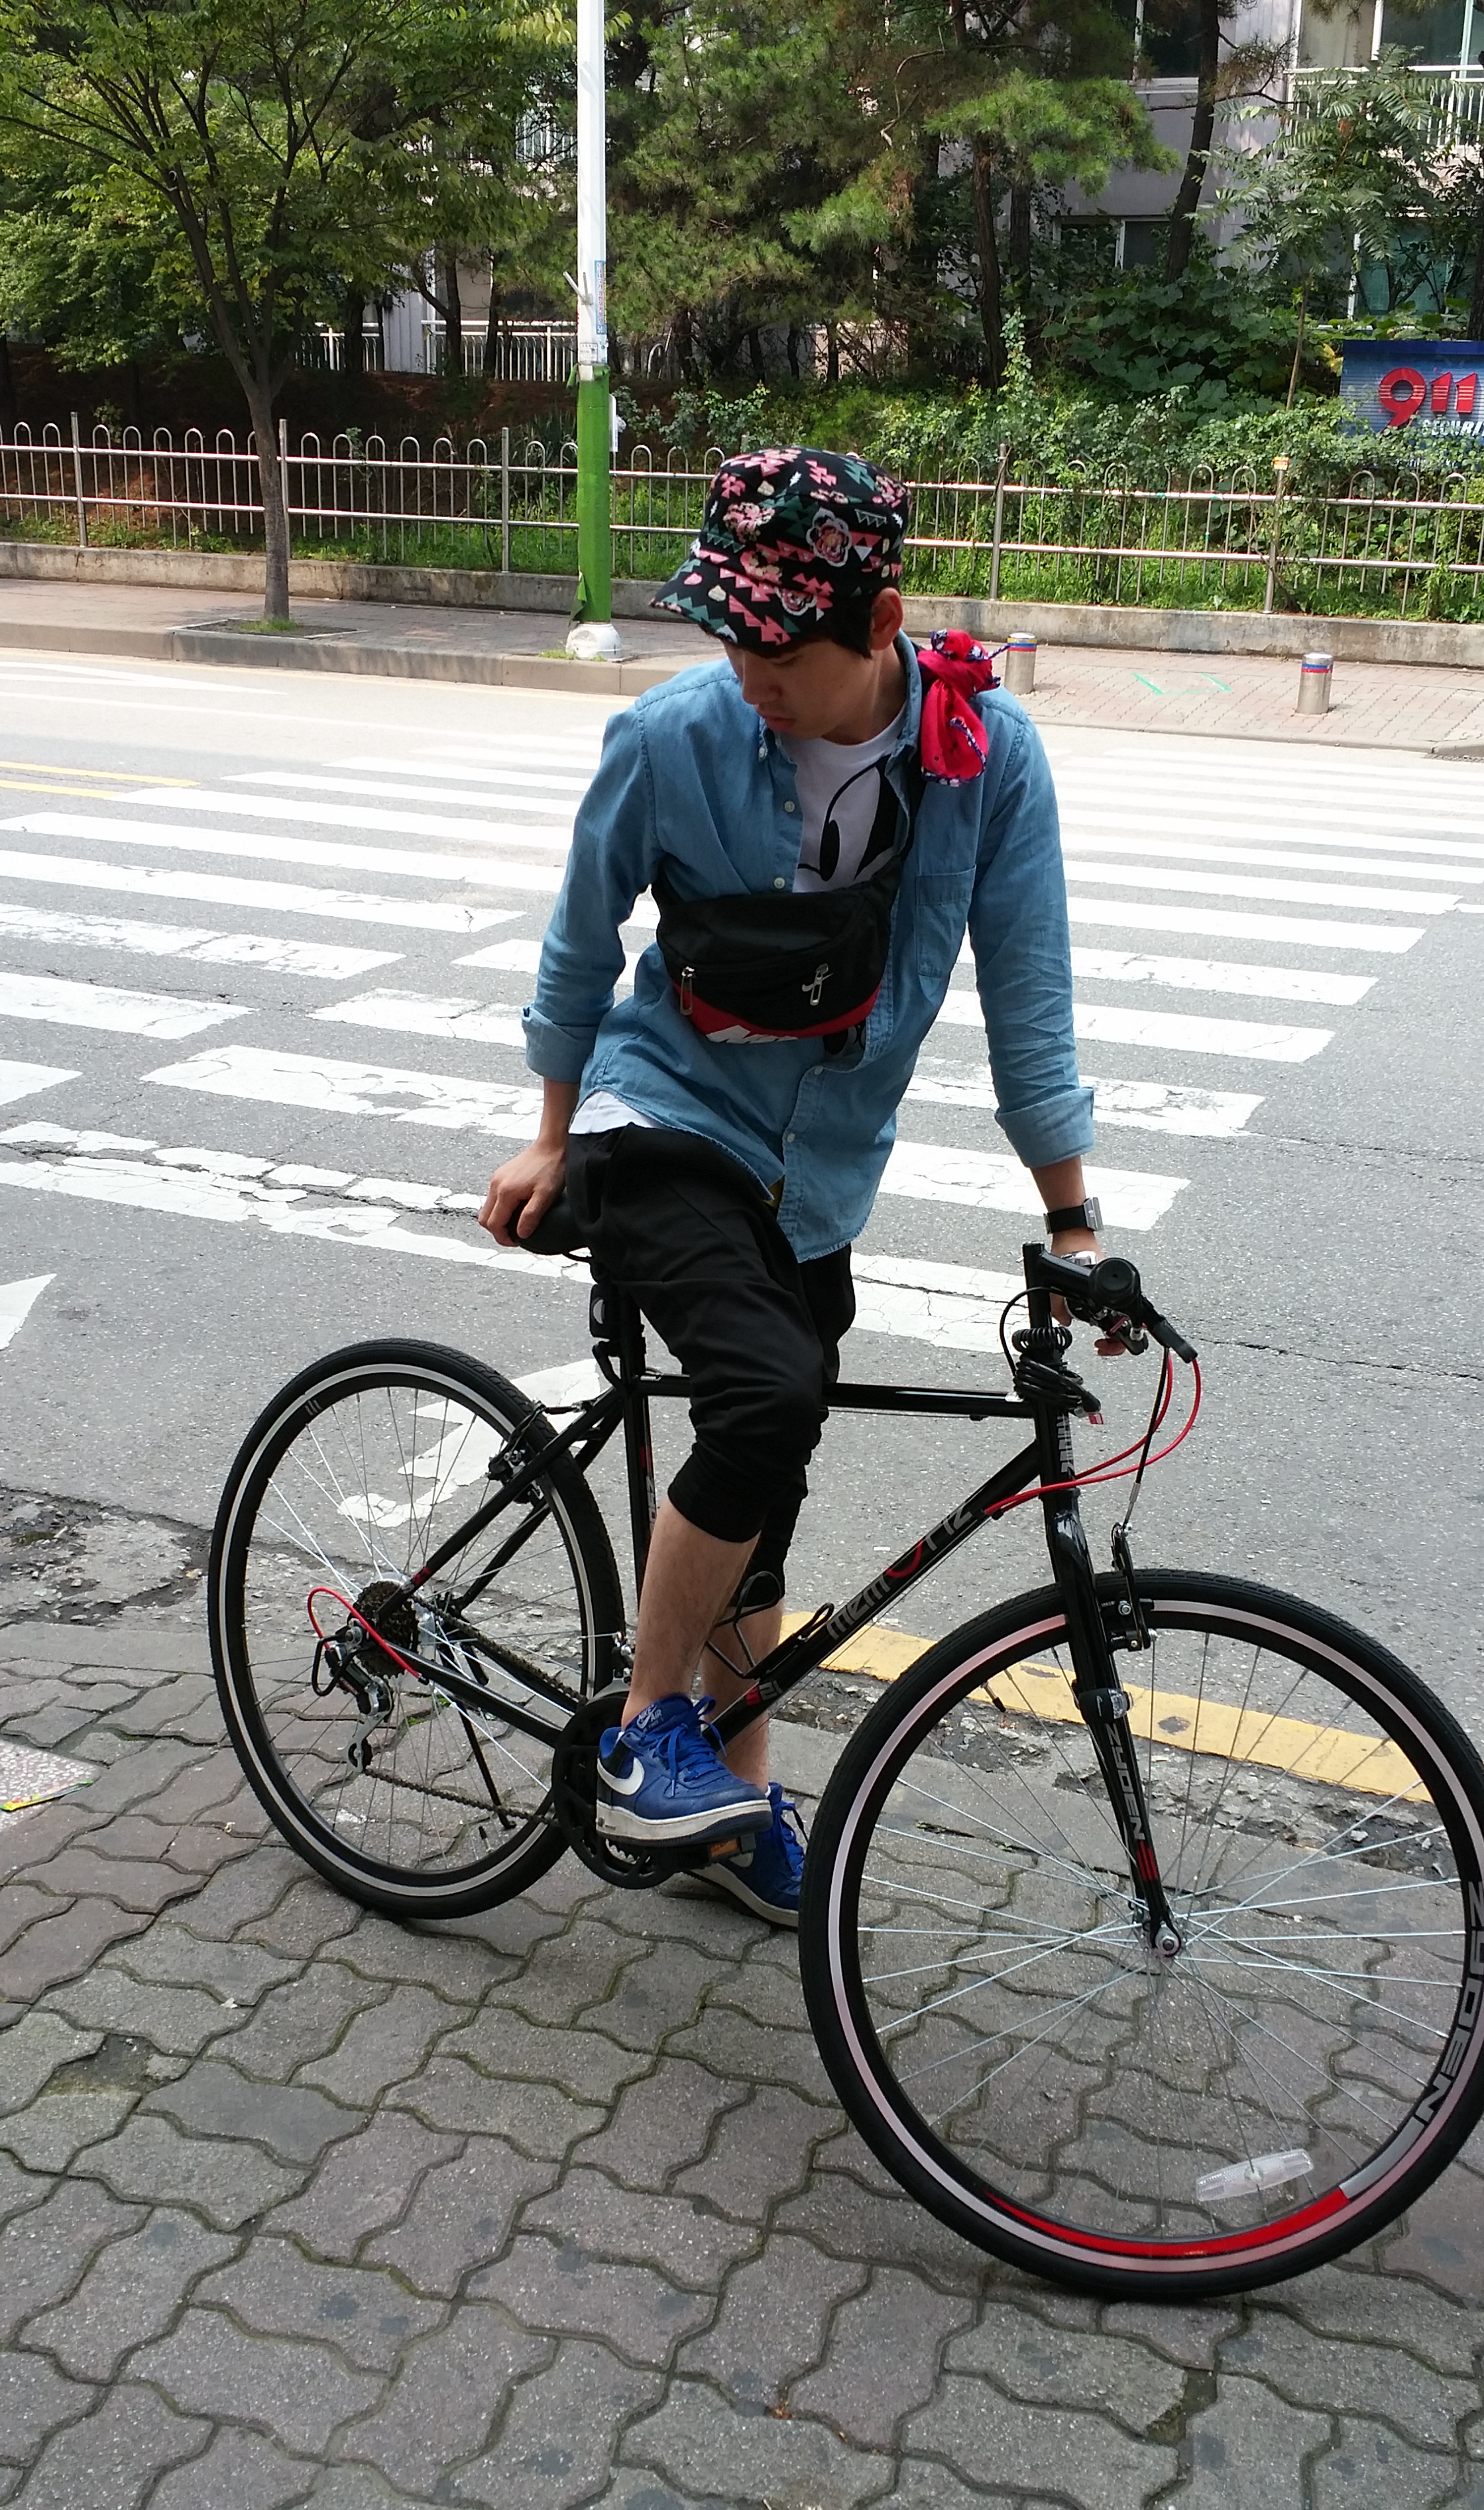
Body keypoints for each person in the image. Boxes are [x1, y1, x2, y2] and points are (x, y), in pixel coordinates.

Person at [479, 446, 1105, 1926]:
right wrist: (550, 1134)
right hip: (660, 1119)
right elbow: (580, 945)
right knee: (766, 1396)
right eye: (730, 640)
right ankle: (648, 1736)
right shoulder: (670, 737)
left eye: (778, 649)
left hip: (814, 1176)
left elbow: (1030, 998)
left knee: (765, 1491)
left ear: (879, 623)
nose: (747, 675)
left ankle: (731, 1810)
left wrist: (1074, 1222)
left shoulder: (987, 760)